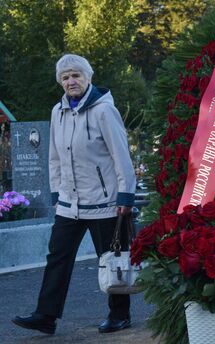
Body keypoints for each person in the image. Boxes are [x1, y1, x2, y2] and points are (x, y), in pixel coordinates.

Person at [12, 54, 136, 334]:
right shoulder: (58, 112)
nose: (71, 81)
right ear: (61, 82)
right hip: (70, 204)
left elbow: (121, 156)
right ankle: (45, 316)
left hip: (105, 202)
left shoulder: (104, 111)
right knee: (57, 256)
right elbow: (54, 158)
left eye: (76, 75)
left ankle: (120, 314)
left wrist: (125, 196)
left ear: (88, 77)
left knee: (112, 257)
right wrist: (57, 194)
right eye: (66, 77)